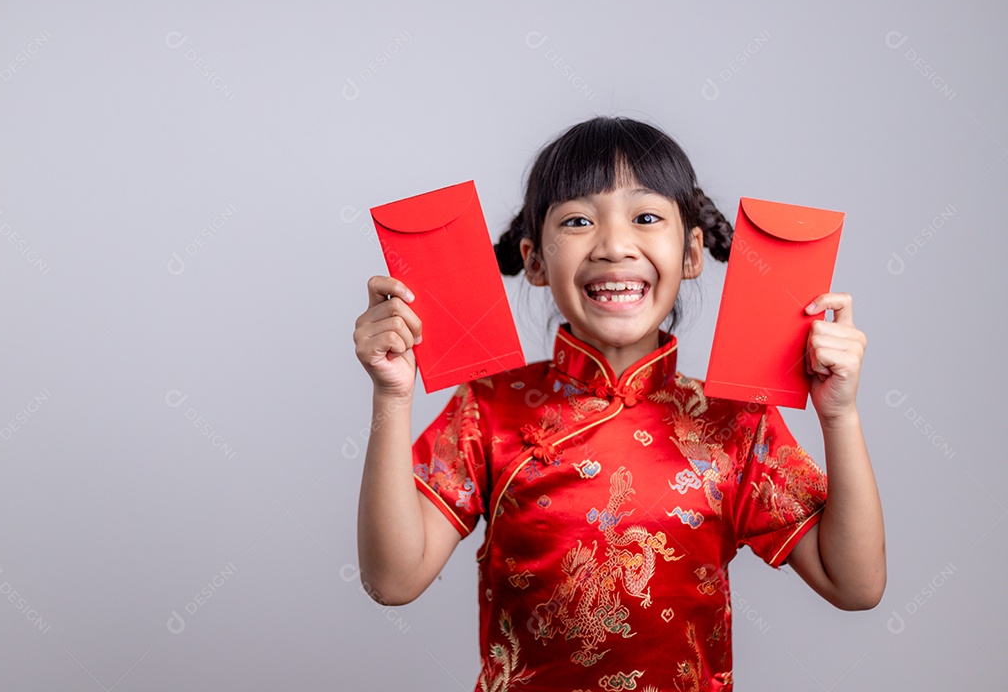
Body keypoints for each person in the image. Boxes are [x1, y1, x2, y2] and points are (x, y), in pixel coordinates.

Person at [353, 117, 885, 691]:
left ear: (691, 253)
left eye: (646, 217)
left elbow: (854, 585)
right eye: (578, 221)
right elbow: (394, 579)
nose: (612, 245)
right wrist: (392, 395)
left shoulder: (734, 420)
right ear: (534, 261)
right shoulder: (490, 405)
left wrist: (840, 415)